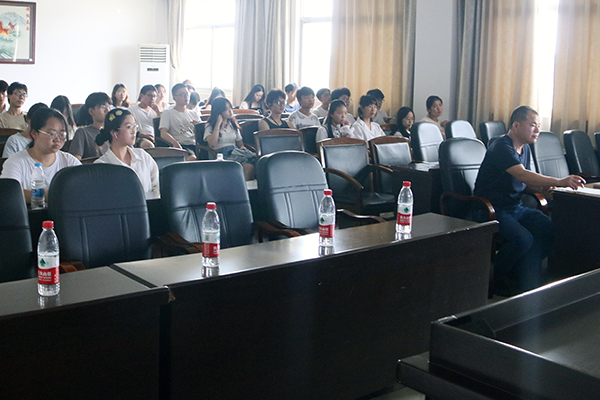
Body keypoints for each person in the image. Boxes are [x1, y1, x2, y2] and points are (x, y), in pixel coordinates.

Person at [474, 105, 585, 296]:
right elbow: (521, 174)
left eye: (539, 126)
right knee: (523, 239)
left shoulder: (524, 148)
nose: (537, 130)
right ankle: (492, 279)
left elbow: (521, 183)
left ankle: (524, 276)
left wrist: (541, 189)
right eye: (533, 125)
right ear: (516, 125)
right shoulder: (502, 146)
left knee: (547, 228)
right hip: (492, 208)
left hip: (515, 207)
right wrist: (559, 181)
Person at [0, 107, 81, 203]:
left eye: (62, 134)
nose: (58, 139)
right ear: (34, 134)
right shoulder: (16, 161)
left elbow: (84, 188)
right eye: (52, 133)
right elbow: (8, 193)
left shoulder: (70, 161)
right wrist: (48, 195)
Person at [94, 108, 160, 200]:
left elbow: (157, 187)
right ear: (115, 134)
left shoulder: (143, 155)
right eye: (129, 127)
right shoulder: (101, 166)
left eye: (134, 126)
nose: (134, 131)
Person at [204, 97, 255, 180]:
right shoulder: (210, 125)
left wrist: (242, 148)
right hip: (220, 155)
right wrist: (218, 124)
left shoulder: (233, 124)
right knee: (248, 166)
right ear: (218, 111)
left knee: (253, 163)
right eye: (226, 109)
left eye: (230, 108)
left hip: (234, 152)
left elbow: (240, 143)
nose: (230, 111)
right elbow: (212, 143)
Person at [159, 83, 199, 161]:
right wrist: (174, 143)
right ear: (174, 97)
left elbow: (201, 133)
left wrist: (198, 127)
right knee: (193, 158)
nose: (186, 97)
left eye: (187, 94)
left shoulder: (194, 113)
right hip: (182, 145)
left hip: (196, 144)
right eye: (181, 94)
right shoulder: (168, 112)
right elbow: (163, 133)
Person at [69, 92, 112, 160]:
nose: (107, 110)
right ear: (91, 111)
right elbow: (75, 161)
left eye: (109, 106)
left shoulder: (115, 131)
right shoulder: (83, 133)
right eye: (103, 107)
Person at [129, 84, 161, 149]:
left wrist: (158, 113)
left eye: (154, 96)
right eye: (149, 95)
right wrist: (144, 135)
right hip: (140, 137)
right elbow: (129, 127)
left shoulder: (155, 111)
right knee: (148, 145)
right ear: (141, 96)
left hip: (155, 138)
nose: (152, 98)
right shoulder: (132, 109)